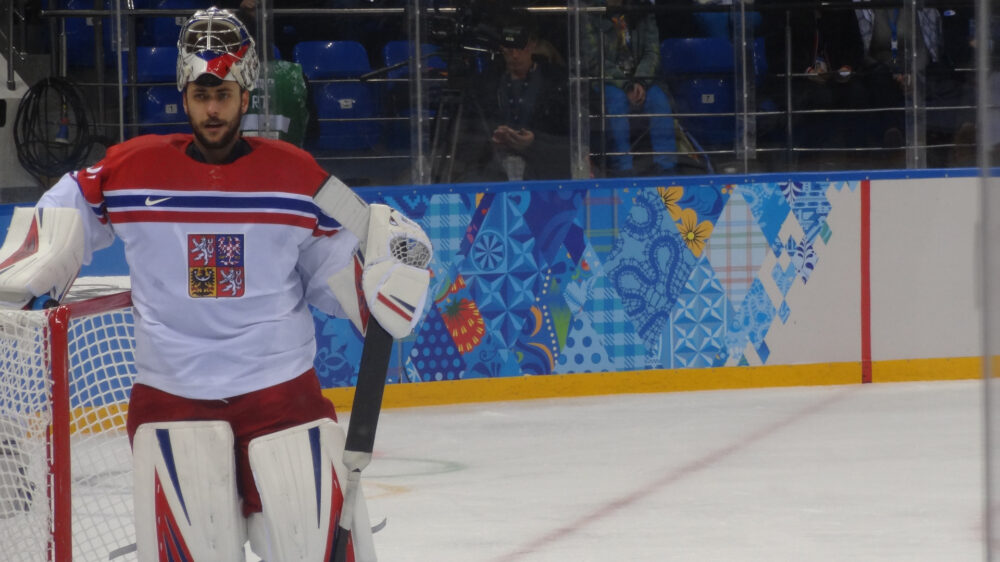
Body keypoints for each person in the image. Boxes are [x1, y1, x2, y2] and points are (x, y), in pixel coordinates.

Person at [6, 7, 430, 561]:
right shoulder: (129, 170)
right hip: (173, 395)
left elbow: (339, 263)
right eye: (201, 94)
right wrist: (21, 278)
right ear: (184, 94)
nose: (212, 108)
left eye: (224, 94)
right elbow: (64, 213)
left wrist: (377, 283)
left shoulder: (298, 175)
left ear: (246, 95)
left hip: (281, 392)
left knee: (315, 547)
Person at [465, 17, 571, 181]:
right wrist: (490, 139)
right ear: (501, 47)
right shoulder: (484, 83)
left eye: (520, 46)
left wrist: (535, 142)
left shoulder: (558, 82)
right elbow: (467, 134)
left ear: (533, 44)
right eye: (509, 47)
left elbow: (572, 139)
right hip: (492, 173)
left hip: (545, 176)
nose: (514, 54)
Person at [585, 0, 677, 176]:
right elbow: (593, 60)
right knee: (616, 103)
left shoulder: (643, 9)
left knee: (659, 102)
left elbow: (652, 52)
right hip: (608, 80)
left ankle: (667, 170)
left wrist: (641, 81)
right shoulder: (591, 12)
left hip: (641, 80)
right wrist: (625, 85)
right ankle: (623, 169)